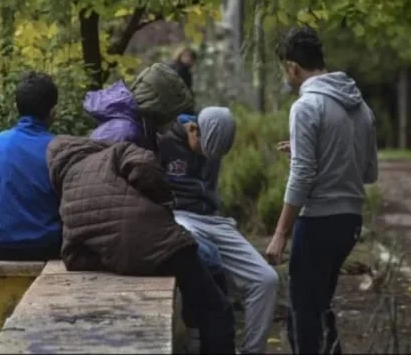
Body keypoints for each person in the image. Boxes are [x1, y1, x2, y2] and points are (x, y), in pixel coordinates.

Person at [46, 135, 236, 354]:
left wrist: (113, 257)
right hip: (165, 243)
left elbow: (72, 257)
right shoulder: (112, 153)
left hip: (131, 261)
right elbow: (144, 164)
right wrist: (161, 200)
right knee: (215, 309)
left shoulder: (67, 194)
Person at [265, 26, 378, 354]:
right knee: (320, 305)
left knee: (303, 314)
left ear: (292, 67)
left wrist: (280, 233)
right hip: (350, 223)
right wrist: (316, 150)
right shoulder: (361, 107)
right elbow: (369, 172)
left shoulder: (306, 106)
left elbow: (302, 175)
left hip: (317, 222)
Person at [159, 107, 279, 354]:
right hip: (177, 216)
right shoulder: (164, 140)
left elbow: (210, 190)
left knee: (266, 280)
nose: (208, 157)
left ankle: (251, 350)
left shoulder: (213, 148)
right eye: (204, 150)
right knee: (201, 255)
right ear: (194, 130)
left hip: (211, 219)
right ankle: (196, 337)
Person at [0, 71, 62, 261]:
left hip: (0, 246)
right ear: (53, 111)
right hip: (48, 246)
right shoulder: (60, 148)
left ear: (15, 106)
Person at [84, 62, 194, 151]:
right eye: (173, 114)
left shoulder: (143, 128)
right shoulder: (122, 133)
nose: (175, 120)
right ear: (158, 108)